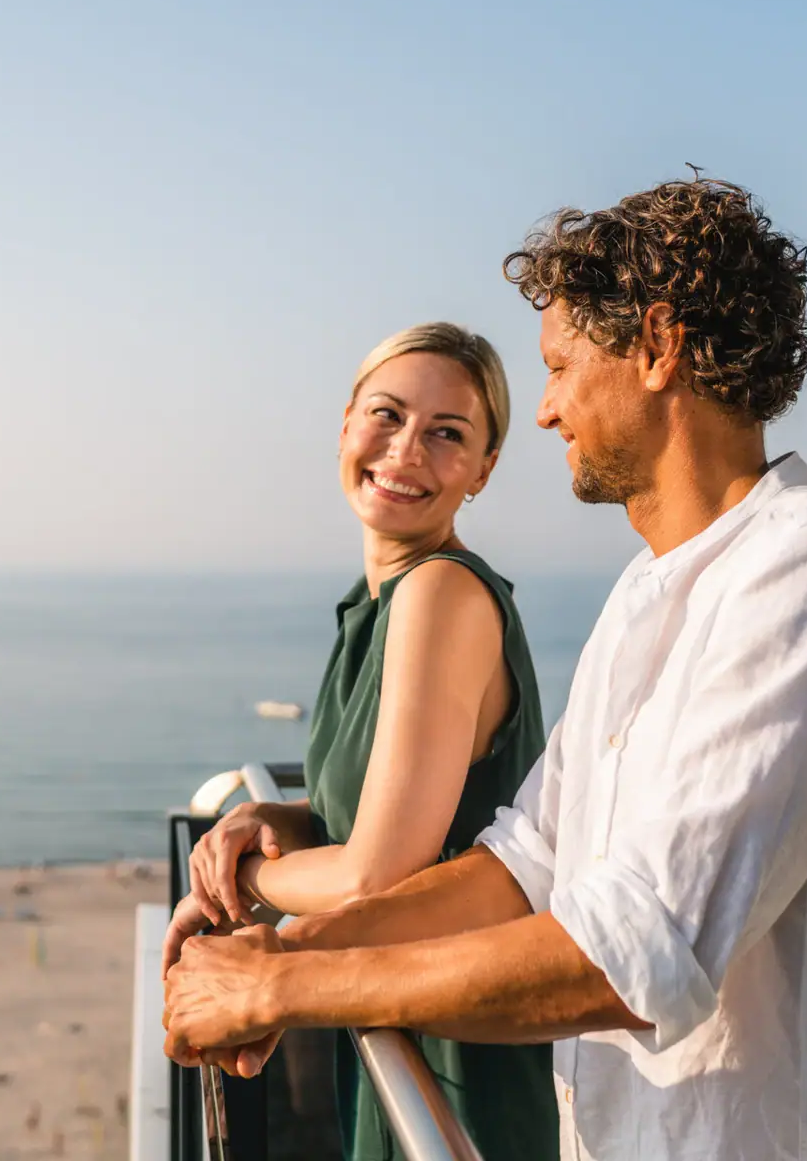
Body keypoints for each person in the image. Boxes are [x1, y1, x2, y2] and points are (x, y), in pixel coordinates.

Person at [164, 180, 807, 1160]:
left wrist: (287, 989)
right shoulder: (642, 598)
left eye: (561, 365)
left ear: (658, 348)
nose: (544, 412)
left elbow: (633, 954)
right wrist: (283, 952)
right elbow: (519, 868)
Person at [162, 323, 559, 1160]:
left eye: (448, 434)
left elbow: (378, 871)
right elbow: (415, 809)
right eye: (386, 415)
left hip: (457, 1052)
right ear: (345, 425)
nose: (406, 449)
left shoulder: (440, 593)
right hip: (389, 1012)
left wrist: (246, 882)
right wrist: (288, 818)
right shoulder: (374, 604)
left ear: (484, 469)